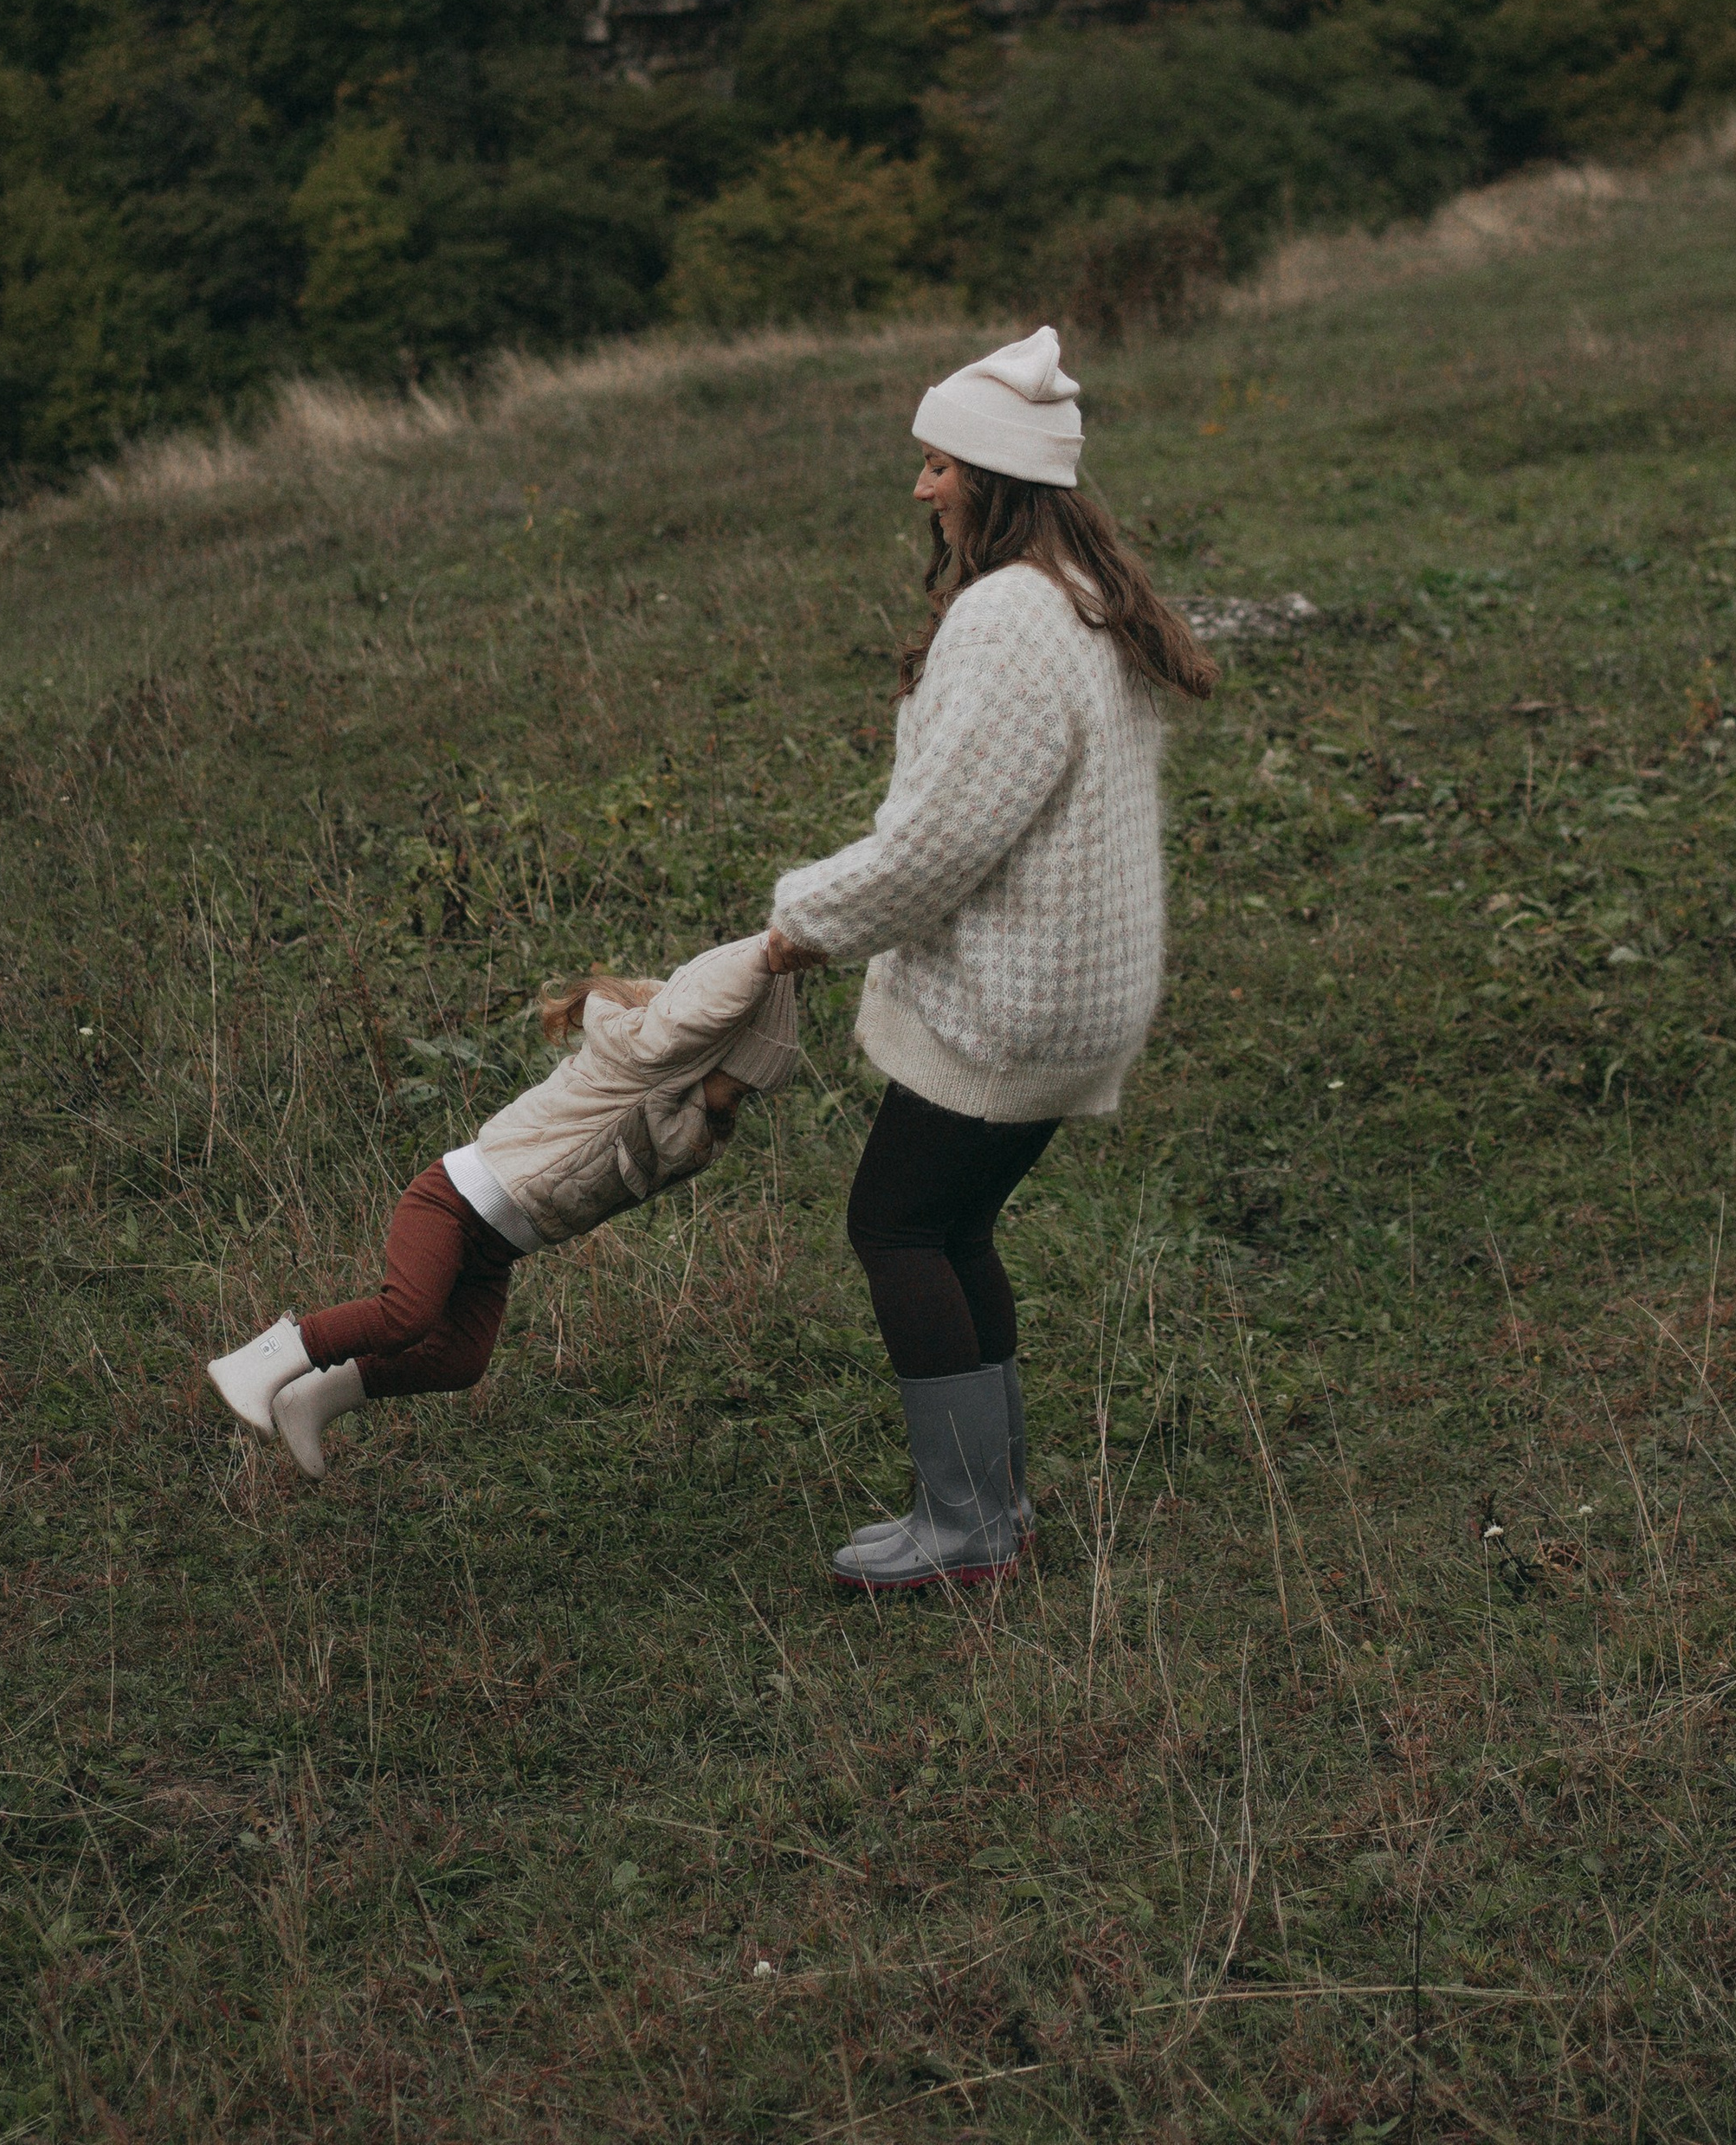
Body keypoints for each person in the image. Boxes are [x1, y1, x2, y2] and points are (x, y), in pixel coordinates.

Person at [766, 326, 1215, 1590]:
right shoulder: (1081, 591)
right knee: (953, 1226)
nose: (921, 487)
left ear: (995, 476)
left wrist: (795, 926)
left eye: (938, 463)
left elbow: (931, 849)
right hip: (1081, 993)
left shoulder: (1013, 619)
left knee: (898, 1224)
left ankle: (966, 1534)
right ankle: (993, 1514)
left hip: (1015, 1003)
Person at [205, 934, 797, 1477]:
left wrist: (780, 987)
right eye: (743, 1088)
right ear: (707, 1053)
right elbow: (693, 1013)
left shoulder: (677, 1113)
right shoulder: (643, 1061)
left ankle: (312, 1396)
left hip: (496, 1245)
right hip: (455, 1202)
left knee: (461, 1359)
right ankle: (257, 1363)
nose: (742, 1105)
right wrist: (767, 954)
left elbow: (687, 1136)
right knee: (405, 1314)